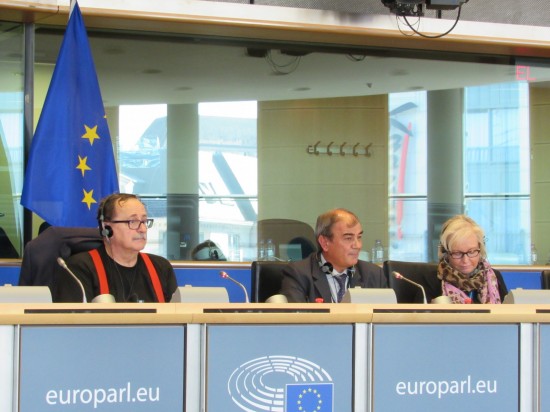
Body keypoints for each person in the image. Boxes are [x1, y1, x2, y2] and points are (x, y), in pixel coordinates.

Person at [54, 193, 177, 303]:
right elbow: (73, 319)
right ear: (107, 228)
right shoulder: (79, 268)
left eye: (144, 221)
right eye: (132, 221)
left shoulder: (161, 267)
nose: (143, 229)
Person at [278, 208, 387, 303]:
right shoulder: (299, 274)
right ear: (324, 243)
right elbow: (296, 318)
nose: (357, 245)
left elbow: (387, 317)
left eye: (359, 237)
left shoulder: (373, 275)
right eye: (348, 238)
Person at [424, 214, 507, 304]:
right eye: (457, 253)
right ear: (445, 252)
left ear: (481, 248)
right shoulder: (431, 281)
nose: (465, 260)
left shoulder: (495, 277)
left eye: (471, 252)